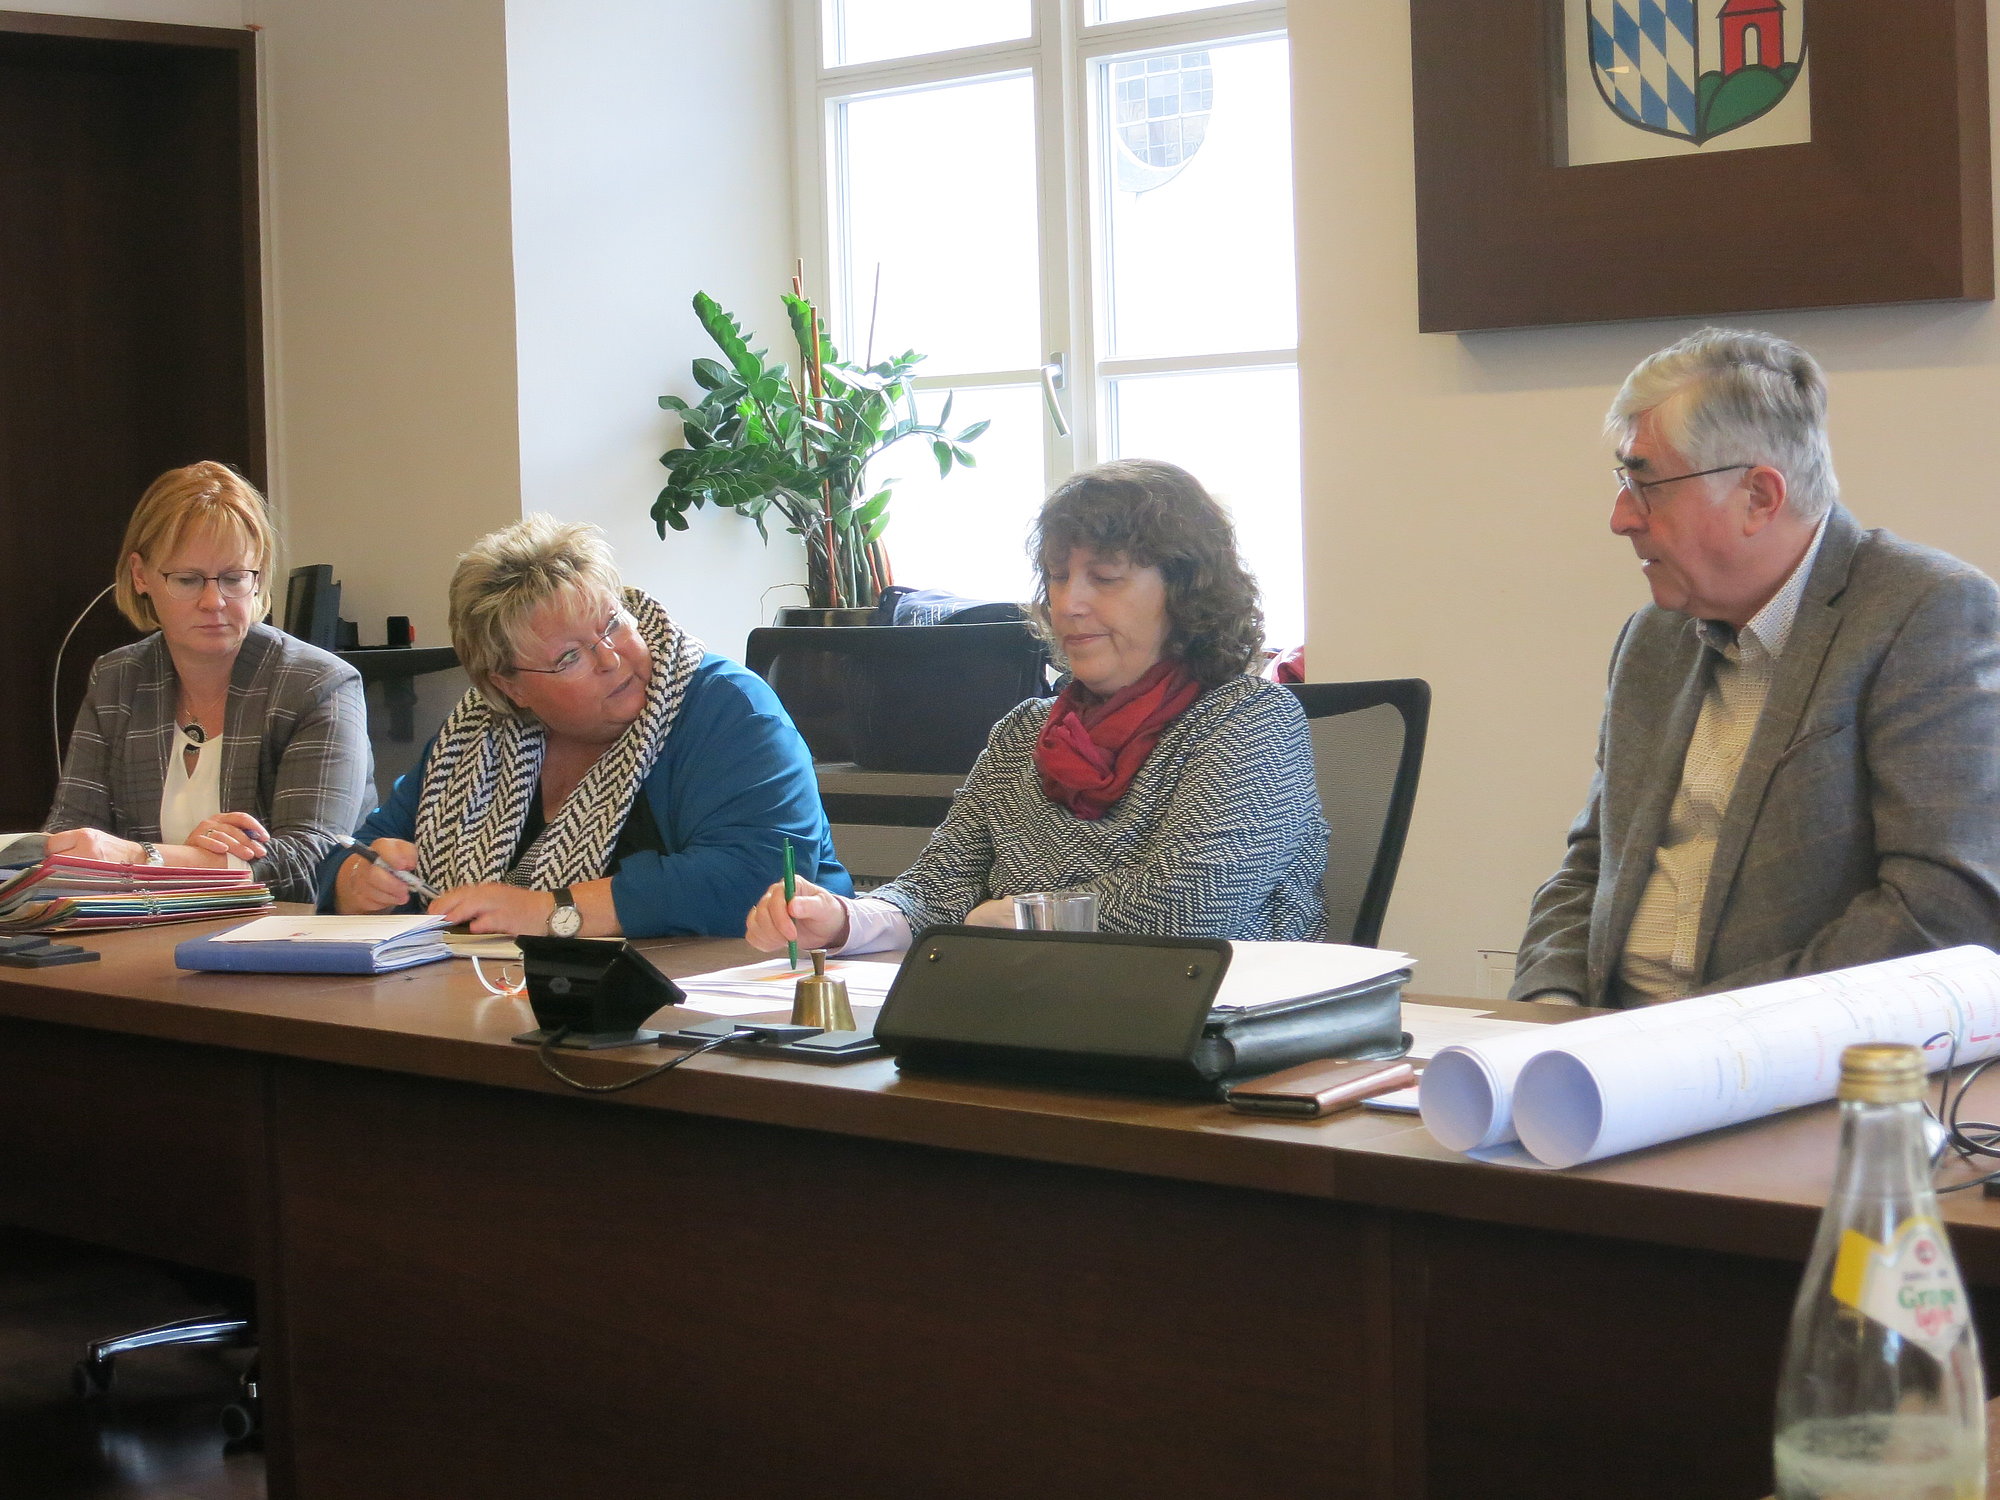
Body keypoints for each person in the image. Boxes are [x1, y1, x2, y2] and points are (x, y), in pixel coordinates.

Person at [1512, 328, 2000, 1009]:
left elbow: (1943, 913)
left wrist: (1700, 1032)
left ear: (1759, 498)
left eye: (1646, 483)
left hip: (1782, 1065)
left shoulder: (1924, 613)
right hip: (1602, 1055)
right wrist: (1546, 1009)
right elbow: (1589, 868)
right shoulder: (1655, 637)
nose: (1621, 518)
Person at [746, 459, 1327, 955]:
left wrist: (1009, 918)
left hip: (1210, 1036)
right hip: (1034, 1013)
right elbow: (936, 891)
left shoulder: (1250, 721)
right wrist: (846, 919)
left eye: (1104, 577)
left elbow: (1188, 914)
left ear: (1185, 592)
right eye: (1056, 576)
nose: (1068, 602)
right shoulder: (1025, 731)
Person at [324, 514, 849, 937]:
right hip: (505, 994)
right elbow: (362, 849)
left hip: (736, 1001)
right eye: (570, 656)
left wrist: (548, 911)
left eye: (613, 624)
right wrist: (355, 882)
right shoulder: (476, 733)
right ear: (511, 687)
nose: (610, 659)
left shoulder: (727, 707)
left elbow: (758, 878)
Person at [44, 462, 371, 903]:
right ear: (141, 575)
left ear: (258, 579)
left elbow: (311, 863)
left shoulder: (318, 685)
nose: (213, 601)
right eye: (187, 579)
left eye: (235, 579)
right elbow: (70, 836)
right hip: (143, 940)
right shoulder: (117, 680)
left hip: (285, 950)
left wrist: (144, 858)